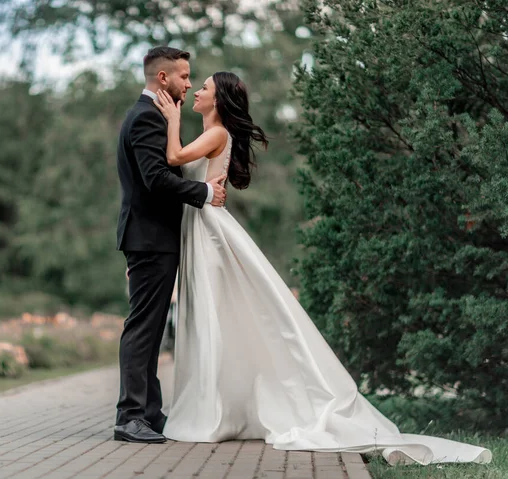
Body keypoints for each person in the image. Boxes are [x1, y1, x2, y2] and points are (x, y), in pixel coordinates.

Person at [152, 72, 492, 465]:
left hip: (209, 230)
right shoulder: (214, 134)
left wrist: (171, 119)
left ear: (220, 99)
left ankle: (211, 411)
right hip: (201, 223)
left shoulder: (218, 134)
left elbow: (174, 158)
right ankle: (218, 405)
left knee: (214, 312)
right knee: (214, 314)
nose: (197, 91)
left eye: (205, 87)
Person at [114, 46, 227, 444]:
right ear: (163, 79)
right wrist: (203, 192)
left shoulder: (151, 115)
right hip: (149, 239)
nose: (189, 83)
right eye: (184, 76)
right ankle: (130, 416)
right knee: (143, 328)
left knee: (152, 326)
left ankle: (148, 412)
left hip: (152, 238)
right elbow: (155, 178)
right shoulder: (146, 117)